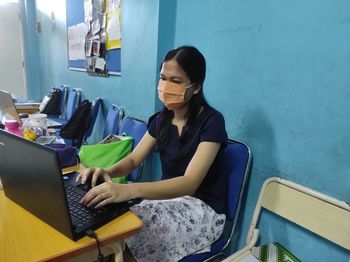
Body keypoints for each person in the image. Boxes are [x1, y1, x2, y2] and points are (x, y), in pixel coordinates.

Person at [78, 46, 228, 261]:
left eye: (176, 81)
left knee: (134, 234)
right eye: (163, 78)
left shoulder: (212, 122)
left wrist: (130, 190)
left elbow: (189, 183)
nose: (166, 86)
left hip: (201, 209)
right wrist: (105, 172)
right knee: (114, 222)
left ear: (196, 87)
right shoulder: (161, 119)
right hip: (167, 200)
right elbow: (133, 160)